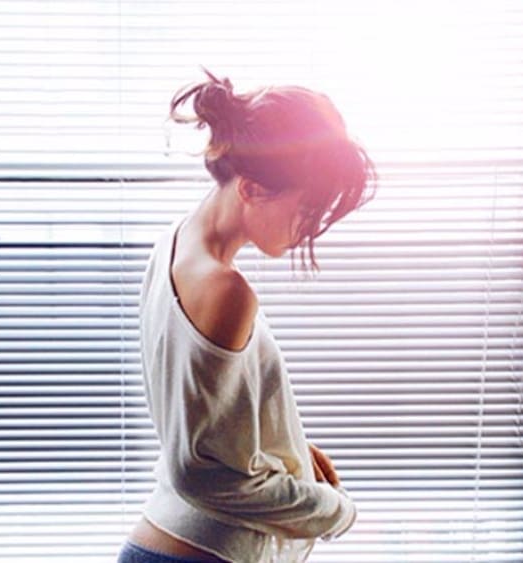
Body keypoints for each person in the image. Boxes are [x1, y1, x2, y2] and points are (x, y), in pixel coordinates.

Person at [117, 69, 377, 563]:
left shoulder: (175, 244)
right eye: (307, 210)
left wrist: (287, 449)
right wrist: (336, 511)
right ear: (253, 189)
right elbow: (201, 475)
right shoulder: (226, 291)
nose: (309, 230)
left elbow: (202, 423)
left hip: (165, 541)